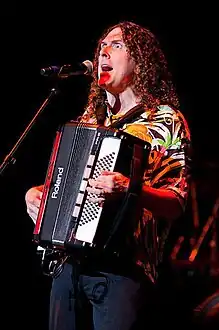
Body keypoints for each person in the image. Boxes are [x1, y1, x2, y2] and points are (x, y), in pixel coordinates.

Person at [25, 20, 191, 330]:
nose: (104, 51)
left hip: (123, 270)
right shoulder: (88, 120)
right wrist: (36, 195)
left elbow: (177, 201)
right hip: (67, 266)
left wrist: (131, 190)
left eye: (116, 45)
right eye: (102, 45)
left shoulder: (165, 120)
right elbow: (61, 184)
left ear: (140, 60)